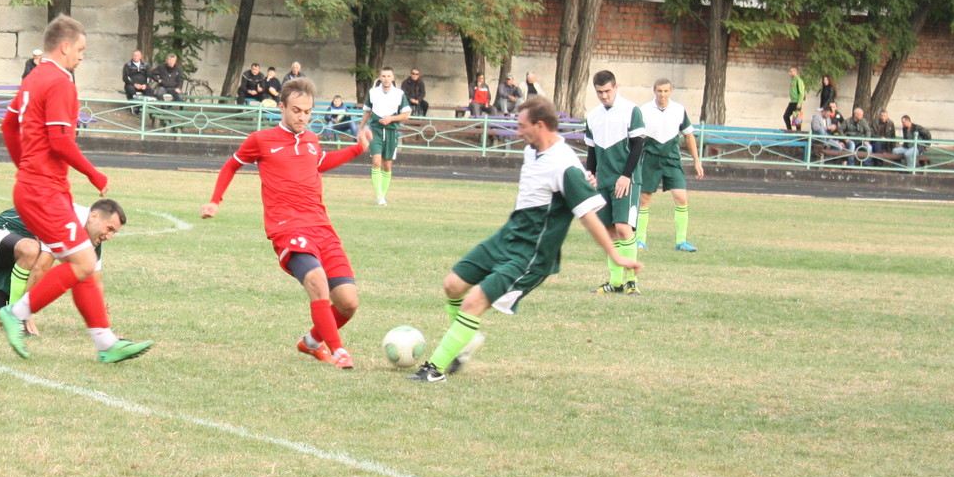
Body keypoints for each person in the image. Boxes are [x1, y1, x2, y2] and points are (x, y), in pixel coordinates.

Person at [409, 98, 641, 381]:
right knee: (452, 285)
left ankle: (435, 369)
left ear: (540, 126)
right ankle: (462, 343)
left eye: (522, 126)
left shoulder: (564, 165)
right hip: (508, 235)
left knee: (474, 303)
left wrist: (615, 255)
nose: (518, 132)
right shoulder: (535, 150)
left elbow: (589, 216)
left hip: (531, 253)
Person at [0, 14, 153, 364]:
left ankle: (106, 342)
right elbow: (60, 141)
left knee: (87, 265)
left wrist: (24, 166)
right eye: (80, 49)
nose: (82, 56)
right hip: (43, 190)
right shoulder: (60, 81)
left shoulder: (33, 77)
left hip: (40, 187)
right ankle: (16, 313)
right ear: (64, 47)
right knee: (82, 261)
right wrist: (94, 174)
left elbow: (7, 126)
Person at [201, 78, 374, 369]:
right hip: (288, 229)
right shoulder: (260, 140)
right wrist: (215, 200)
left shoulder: (311, 139)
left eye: (307, 112)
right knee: (317, 282)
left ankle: (310, 343)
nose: (302, 117)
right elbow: (232, 164)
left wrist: (357, 149)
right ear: (281, 107)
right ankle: (339, 351)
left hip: (322, 228)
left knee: (348, 303)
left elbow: (319, 163)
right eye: (296, 111)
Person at [0, 199, 127, 333]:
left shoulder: (93, 244)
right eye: (109, 229)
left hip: (20, 257)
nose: (109, 236)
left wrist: (101, 325)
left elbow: (93, 282)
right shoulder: (67, 219)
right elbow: (40, 268)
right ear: (93, 216)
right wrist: (26, 314)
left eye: (114, 233)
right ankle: (17, 319)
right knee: (31, 249)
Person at [583, 70, 647, 294]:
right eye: (599, 92)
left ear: (616, 87)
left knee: (623, 227)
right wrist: (589, 175)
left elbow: (638, 145)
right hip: (604, 182)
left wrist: (626, 175)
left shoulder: (631, 110)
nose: (603, 96)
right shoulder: (593, 116)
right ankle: (616, 282)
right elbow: (591, 151)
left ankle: (632, 281)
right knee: (609, 231)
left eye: (607, 91)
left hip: (626, 180)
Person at [637, 78, 704, 253]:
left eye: (666, 91)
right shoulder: (643, 110)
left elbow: (689, 136)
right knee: (644, 200)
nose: (662, 95)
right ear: (654, 91)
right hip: (650, 159)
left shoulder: (679, 110)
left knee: (681, 197)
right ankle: (640, 240)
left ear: (671, 91)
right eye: (659, 91)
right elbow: (635, 138)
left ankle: (681, 241)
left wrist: (697, 161)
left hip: (671, 159)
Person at [363, 65, 410, 206]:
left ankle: (382, 194)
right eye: (383, 76)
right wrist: (361, 128)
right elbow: (367, 111)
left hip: (391, 131)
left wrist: (391, 119)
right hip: (375, 130)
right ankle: (379, 196)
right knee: (376, 161)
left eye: (388, 76)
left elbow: (406, 114)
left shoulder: (399, 94)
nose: (386, 79)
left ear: (393, 78)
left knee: (387, 165)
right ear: (380, 77)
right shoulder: (373, 92)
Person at [783, 67, 805, 132]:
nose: (790, 73)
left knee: (797, 120)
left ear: (795, 72)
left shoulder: (799, 80)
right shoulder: (792, 80)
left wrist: (799, 103)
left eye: (791, 72)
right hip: (792, 102)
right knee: (786, 116)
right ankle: (789, 130)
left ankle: (799, 133)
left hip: (797, 102)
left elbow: (801, 93)